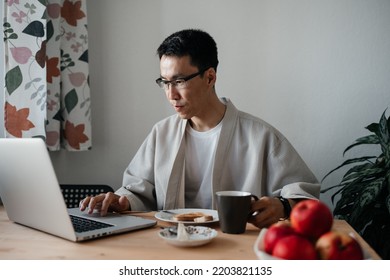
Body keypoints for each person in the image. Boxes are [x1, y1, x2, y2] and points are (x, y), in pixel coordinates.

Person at [80, 29, 320, 228]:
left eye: (179, 81)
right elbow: (140, 190)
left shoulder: (261, 136)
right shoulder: (161, 133)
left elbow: (306, 196)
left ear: (210, 77)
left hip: (235, 249)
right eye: (165, 82)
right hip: (171, 244)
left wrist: (283, 205)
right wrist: (122, 202)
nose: (171, 95)